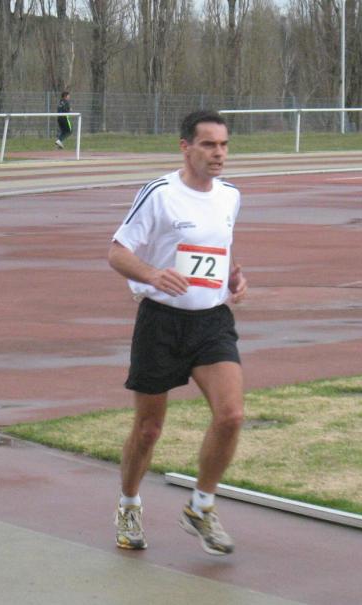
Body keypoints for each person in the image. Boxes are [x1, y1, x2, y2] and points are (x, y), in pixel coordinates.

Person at [108, 109, 248, 556]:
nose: (219, 153)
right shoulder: (160, 194)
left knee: (231, 415)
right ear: (186, 147)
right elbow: (117, 252)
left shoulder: (230, 196)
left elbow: (218, 247)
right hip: (161, 322)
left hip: (212, 322)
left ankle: (200, 507)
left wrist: (233, 276)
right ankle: (129, 505)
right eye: (209, 144)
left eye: (224, 145)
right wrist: (152, 274)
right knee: (149, 429)